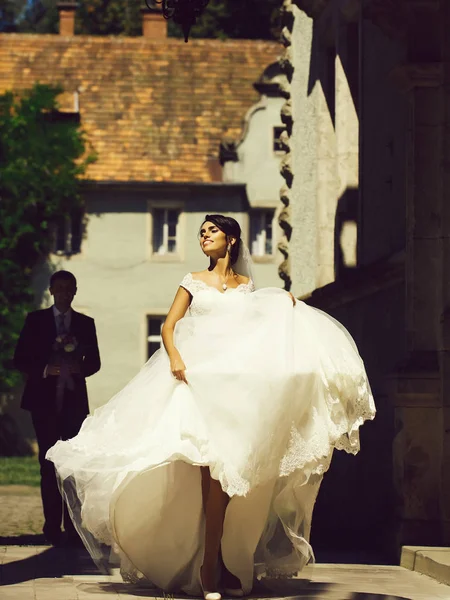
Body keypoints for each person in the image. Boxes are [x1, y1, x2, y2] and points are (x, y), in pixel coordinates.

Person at [47, 216, 375, 598]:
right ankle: (208, 570)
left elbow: (255, 327)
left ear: (231, 240)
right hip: (196, 385)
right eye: (201, 231)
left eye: (211, 231)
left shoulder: (246, 287)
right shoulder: (191, 281)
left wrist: (281, 303)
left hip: (234, 392)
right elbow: (169, 326)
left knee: (229, 481)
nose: (203, 236)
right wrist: (174, 358)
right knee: (211, 477)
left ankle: (218, 561)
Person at [14, 270, 101, 546]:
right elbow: (20, 359)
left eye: (69, 288)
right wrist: (44, 369)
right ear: (51, 290)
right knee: (48, 464)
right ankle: (51, 525)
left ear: (75, 292)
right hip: (44, 404)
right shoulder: (35, 321)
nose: (64, 293)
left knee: (72, 465)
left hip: (74, 405)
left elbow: (95, 362)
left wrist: (80, 368)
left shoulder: (85, 324)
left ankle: (73, 527)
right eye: (59, 288)